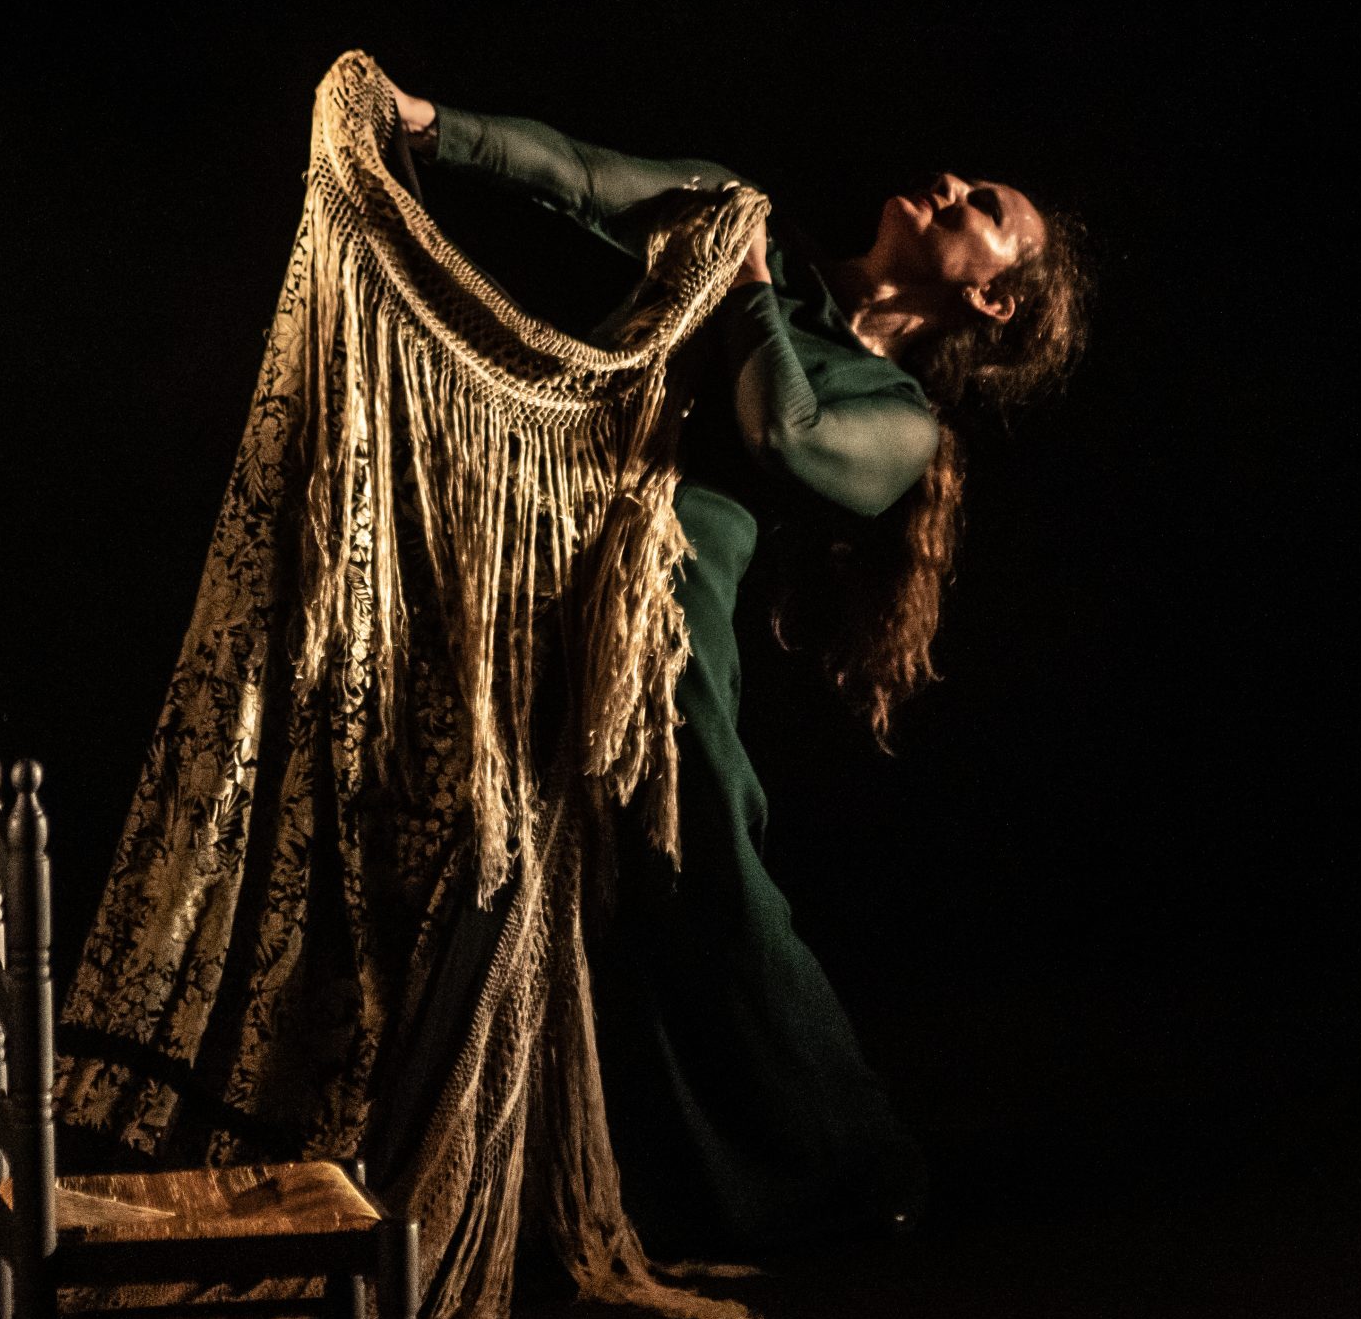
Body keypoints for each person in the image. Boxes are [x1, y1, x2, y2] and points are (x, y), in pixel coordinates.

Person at [386, 79, 1094, 1258]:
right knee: (486, 844)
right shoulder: (738, 220)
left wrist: (747, 286)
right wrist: (421, 123)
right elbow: (579, 170)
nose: (947, 183)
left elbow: (783, 433)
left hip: (667, 634)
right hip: (540, 565)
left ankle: (848, 1162)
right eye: (961, 177)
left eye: (981, 205)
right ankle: (459, 1167)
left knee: (693, 865)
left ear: (988, 292)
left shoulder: (899, 419)